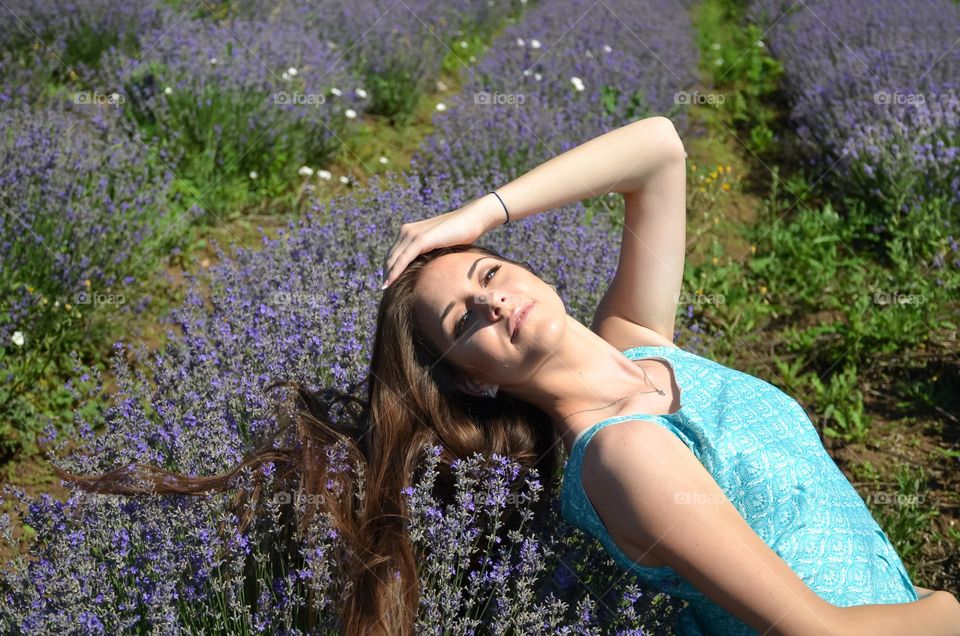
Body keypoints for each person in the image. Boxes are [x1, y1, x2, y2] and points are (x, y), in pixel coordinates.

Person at [53, 117, 960, 635]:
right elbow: (817, 633)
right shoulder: (622, 456)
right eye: (464, 322)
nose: (494, 303)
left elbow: (660, 149)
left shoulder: (642, 344)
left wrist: (473, 213)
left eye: (489, 273)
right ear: (474, 381)